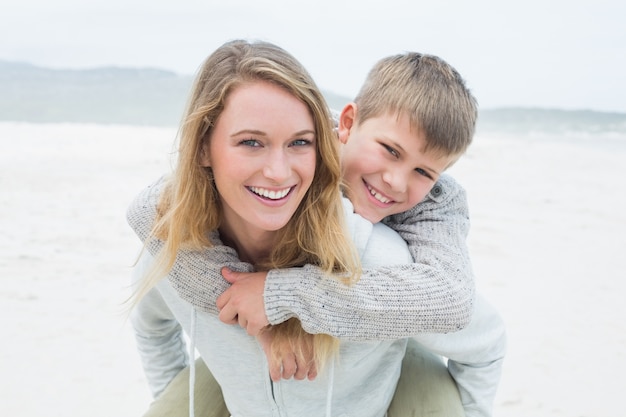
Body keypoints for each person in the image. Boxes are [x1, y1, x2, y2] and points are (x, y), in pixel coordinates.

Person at [128, 42, 505, 417]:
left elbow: (454, 303)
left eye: (423, 171)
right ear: (345, 125)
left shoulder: (430, 208)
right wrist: (248, 315)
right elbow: (148, 212)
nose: (395, 181)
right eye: (389, 150)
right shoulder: (298, 139)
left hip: (390, 339)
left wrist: (280, 296)